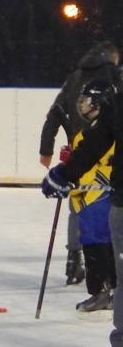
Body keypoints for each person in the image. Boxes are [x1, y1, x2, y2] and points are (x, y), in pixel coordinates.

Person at [41, 76, 123, 347]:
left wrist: (66, 173)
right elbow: (92, 147)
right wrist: (66, 171)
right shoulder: (114, 108)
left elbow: (97, 148)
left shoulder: (116, 108)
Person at [38, 41, 120, 286]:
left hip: (85, 151)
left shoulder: (75, 77)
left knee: (83, 208)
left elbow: (56, 112)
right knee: (97, 215)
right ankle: (105, 279)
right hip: (98, 152)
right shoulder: (114, 77)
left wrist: (48, 150)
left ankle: (76, 262)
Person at [61, 80, 117, 312]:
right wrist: (69, 161)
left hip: (98, 199)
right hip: (87, 200)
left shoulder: (108, 129)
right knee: (92, 244)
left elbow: (104, 164)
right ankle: (103, 291)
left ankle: (104, 292)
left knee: (100, 245)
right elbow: (83, 156)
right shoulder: (89, 129)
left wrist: (74, 177)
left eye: (86, 100)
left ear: (99, 103)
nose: (81, 105)